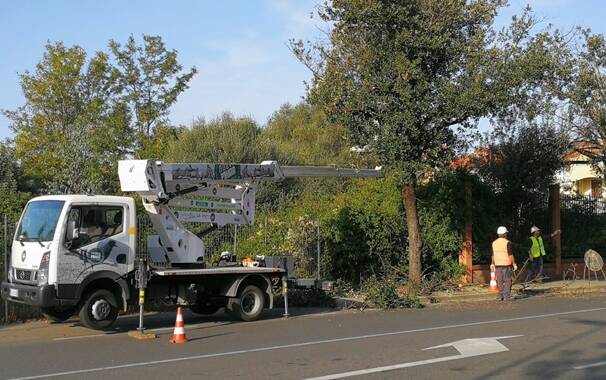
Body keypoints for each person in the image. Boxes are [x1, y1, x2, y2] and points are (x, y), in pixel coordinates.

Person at [491, 226, 518, 301]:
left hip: (497, 265)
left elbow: (493, 255)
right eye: (506, 233)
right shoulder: (507, 242)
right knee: (507, 280)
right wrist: (514, 263)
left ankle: (501, 295)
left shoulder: (494, 243)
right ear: (505, 234)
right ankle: (507, 296)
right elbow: (510, 254)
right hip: (506, 265)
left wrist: (492, 263)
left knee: (499, 280)